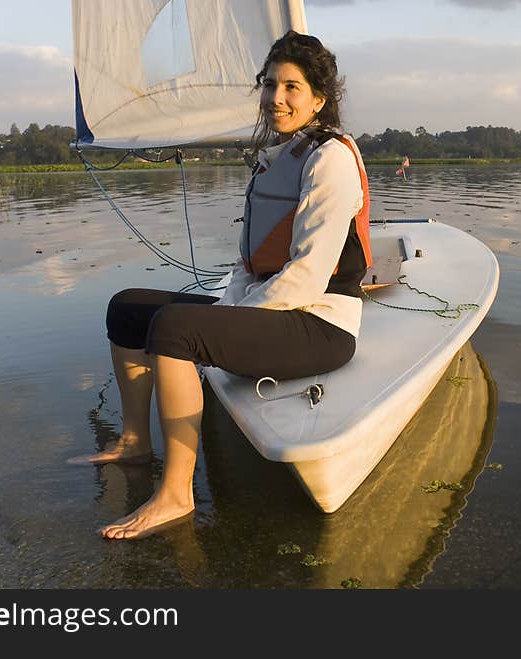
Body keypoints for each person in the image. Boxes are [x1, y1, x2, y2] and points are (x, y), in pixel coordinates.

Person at [71, 30, 372, 540]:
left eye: (291, 87)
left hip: (320, 324)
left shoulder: (331, 159)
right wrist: (226, 310)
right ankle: (134, 442)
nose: (276, 98)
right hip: (271, 310)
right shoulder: (277, 157)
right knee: (126, 308)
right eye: (269, 84)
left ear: (319, 98)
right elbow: (246, 263)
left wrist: (225, 326)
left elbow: (306, 277)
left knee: (175, 330)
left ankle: (175, 495)